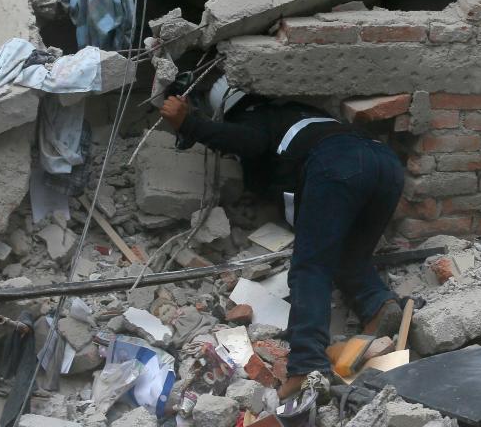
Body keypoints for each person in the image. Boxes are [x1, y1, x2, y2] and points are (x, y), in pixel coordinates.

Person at [159, 75, 408, 398]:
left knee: (310, 267)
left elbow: (249, 142)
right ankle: (379, 305)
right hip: (384, 163)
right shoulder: (299, 112)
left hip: (337, 163)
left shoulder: (253, 117)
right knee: (350, 255)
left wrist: (188, 123)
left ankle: (306, 366)